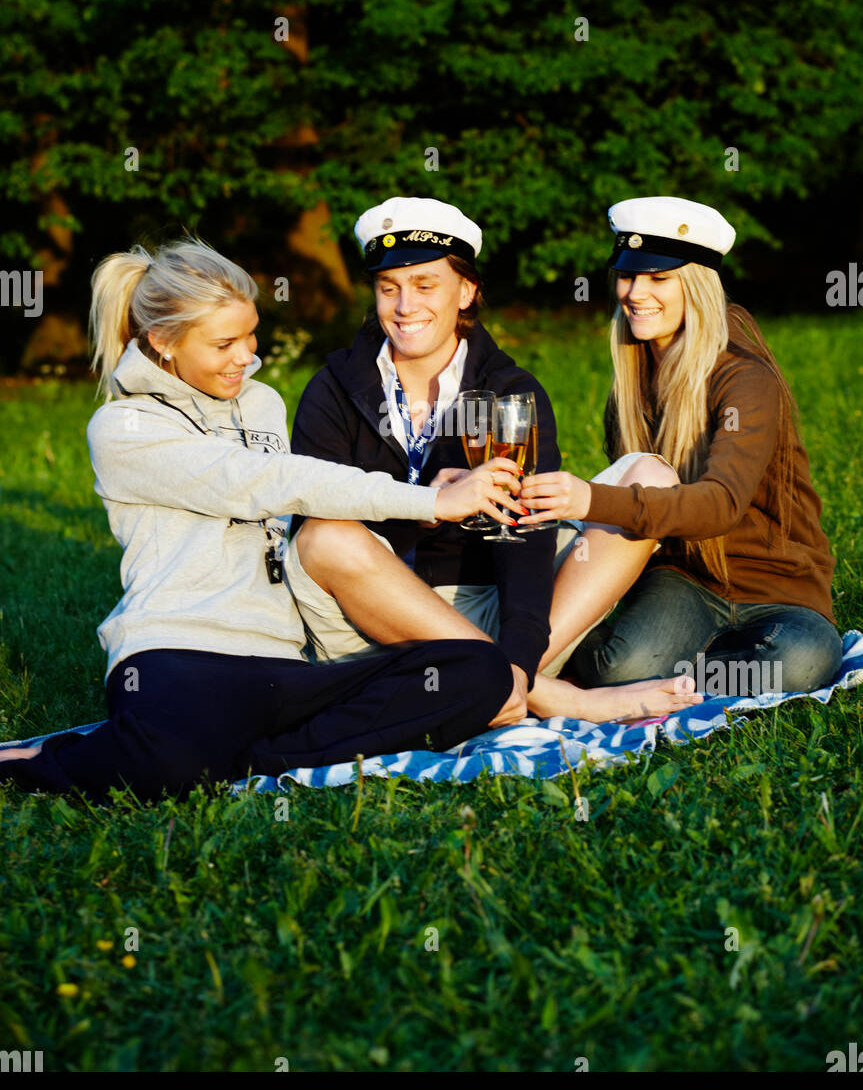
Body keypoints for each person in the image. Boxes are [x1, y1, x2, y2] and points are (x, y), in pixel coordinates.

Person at [0, 238, 530, 801]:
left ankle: (248, 758)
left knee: (479, 671)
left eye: (250, 335)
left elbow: (312, 504)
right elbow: (267, 482)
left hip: (283, 664)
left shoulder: (261, 404)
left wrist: (425, 495)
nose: (245, 356)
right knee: (167, 766)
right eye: (224, 343)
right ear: (163, 341)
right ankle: (52, 761)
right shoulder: (123, 428)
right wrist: (426, 501)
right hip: (178, 654)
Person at [286, 196, 695, 724]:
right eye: (389, 288)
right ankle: (553, 697)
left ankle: (505, 684)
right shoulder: (333, 388)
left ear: (467, 291)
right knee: (325, 535)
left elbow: (524, 536)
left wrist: (521, 656)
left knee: (651, 477)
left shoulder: (510, 393)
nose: (405, 306)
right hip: (367, 616)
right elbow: (313, 515)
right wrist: (430, 505)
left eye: (425, 285)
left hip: (491, 610)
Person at [520, 196, 842, 711]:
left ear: (695, 285)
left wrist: (588, 498)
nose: (634, 292)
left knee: (799, 660)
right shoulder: (632, 380)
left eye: (658, 279)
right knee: (615, 670)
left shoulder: (745, 379)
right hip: (684, 580)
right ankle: (657, 672)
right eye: (626, 276)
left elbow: (719, 505)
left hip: (777, 587)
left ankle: (681, 675)